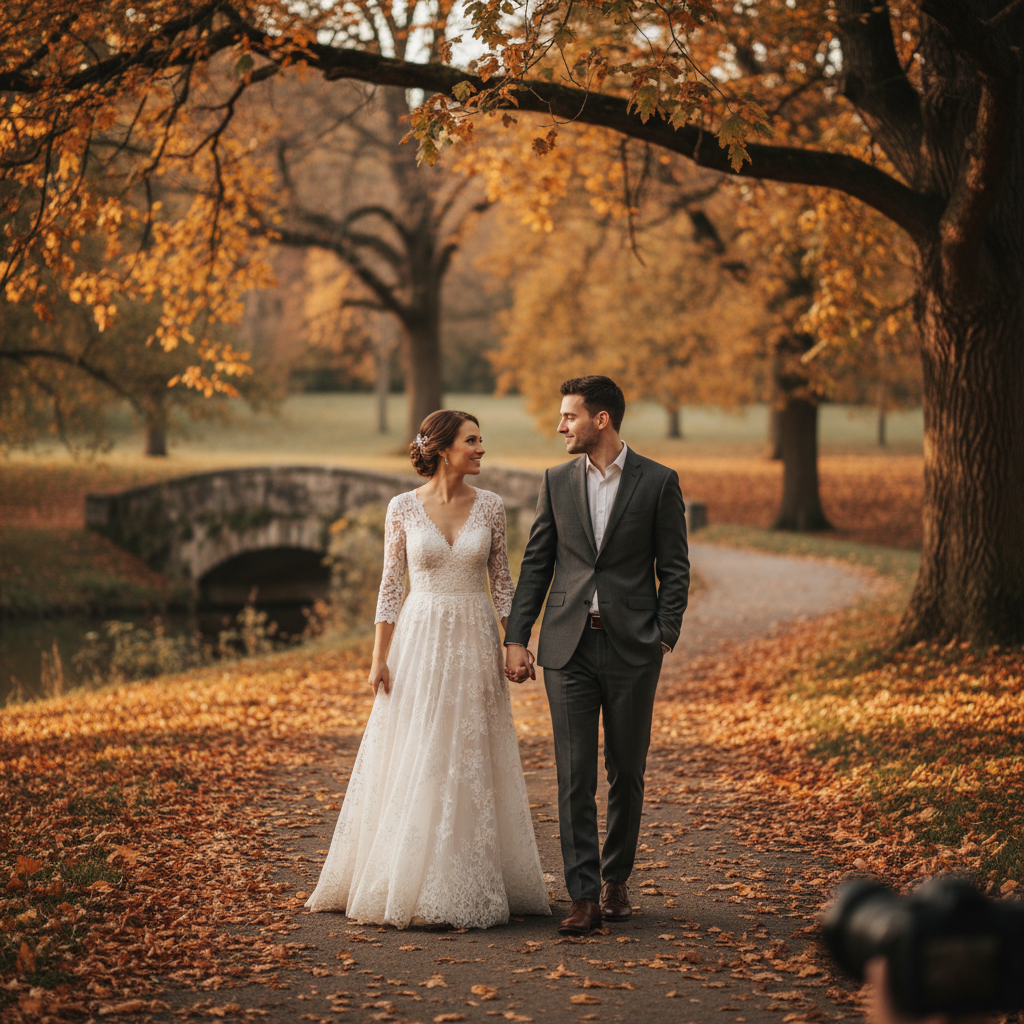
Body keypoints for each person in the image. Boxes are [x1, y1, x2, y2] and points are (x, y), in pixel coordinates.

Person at [305, 410, 550, 929]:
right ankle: (406, 875)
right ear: (442, 449)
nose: (481, 449)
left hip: (474, 638)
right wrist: (378, 657)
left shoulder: (492, 507)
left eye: (481, 440)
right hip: (419, 641)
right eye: (472, 441)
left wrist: (515, 644)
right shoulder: (401, 507)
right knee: (421, 746)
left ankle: (465, 877)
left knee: (468, 750)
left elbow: (502, 583)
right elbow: (391, 585)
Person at [504, 376, 690, 936]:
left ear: (600, 419)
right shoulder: (556, 481)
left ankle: (616, 881)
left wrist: (663, 634)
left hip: (634, 647)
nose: (560, 425)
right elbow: (537, 563)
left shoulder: (658, 481)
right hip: (568, 647)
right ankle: (582, 895)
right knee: (574, 774)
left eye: (569, 416)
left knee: (626, 771)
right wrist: (517, 636)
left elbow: (675, 568)